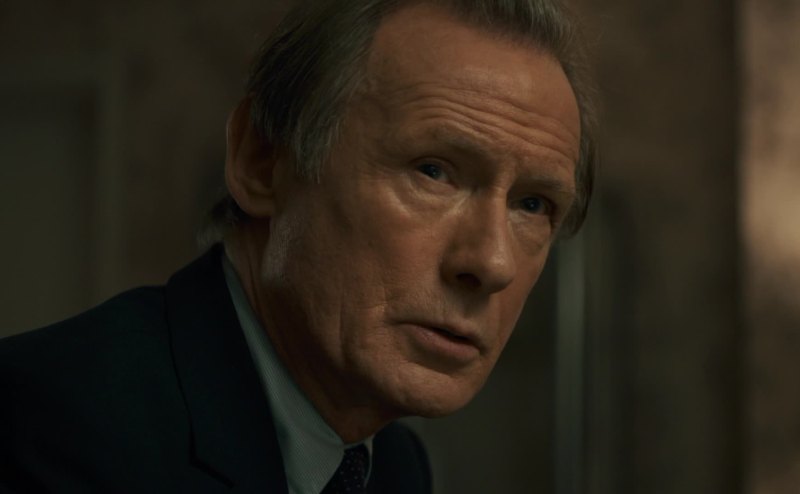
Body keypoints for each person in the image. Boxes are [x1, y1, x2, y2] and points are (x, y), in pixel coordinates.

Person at [0, 0, 596, 492]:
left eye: (533, 205)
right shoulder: (48, 422)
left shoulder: (395, 465)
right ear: (261, 163)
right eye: (433, 171)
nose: (491, 262)